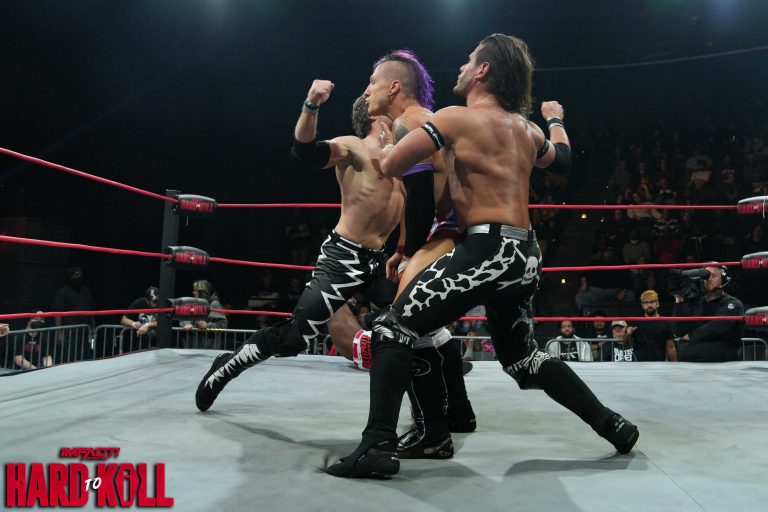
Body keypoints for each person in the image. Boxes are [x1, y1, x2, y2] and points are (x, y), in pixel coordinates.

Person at [327, 34, 638, 479]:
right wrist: (554, 118)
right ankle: (612, 424)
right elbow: (563, 160)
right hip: (525, 253)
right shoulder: (527, 129)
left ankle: (377, 446)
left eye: (469, 60)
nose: (461, 66)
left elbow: (392, 166)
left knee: (392, 331)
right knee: (524, 360)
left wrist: (392, 143)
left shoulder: (454, 118)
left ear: (483, 71)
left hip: (486, 248)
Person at [194, 87, 404, 412]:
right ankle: (228, 365)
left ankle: (443, 381)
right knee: (294, 338)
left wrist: (404, 249)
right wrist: (311, 105)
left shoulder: (402, 158)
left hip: (379, 260)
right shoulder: (354, 146)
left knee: (417, 310)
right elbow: (305, 152)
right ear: (374, 114)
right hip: (344, 258)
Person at [672, 266, 744, 362]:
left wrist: (689, 336)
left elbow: (715, 328)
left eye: (713, 276)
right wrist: (679, 299)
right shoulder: (696, 302)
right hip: (688, 364)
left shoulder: (733, 304)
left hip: (721, 365)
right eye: (705, 276)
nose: (708, 279)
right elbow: (678, 331)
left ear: (724, 278)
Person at [51, 267, 95, 362]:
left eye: (80, 274)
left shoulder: (86, 291)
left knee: (85, 353)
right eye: (76, 275)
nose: (79, 277)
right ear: (70, 276)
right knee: (69, 355)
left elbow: (91, 310)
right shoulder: (62, 292)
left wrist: (93, 328)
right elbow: (57, 313)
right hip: (70, 330)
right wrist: (59, 332)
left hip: (85, 329)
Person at [626, 290, 676, 361]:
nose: (649, 305)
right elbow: (624, 342)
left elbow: (670, 347)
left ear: (657, 304)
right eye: (646, 302)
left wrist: (674, 365)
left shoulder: (665, 322)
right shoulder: (635, 320)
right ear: (642, 305)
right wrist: (628, 334)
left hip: (658, 364)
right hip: (638, 364)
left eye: (652, 302)